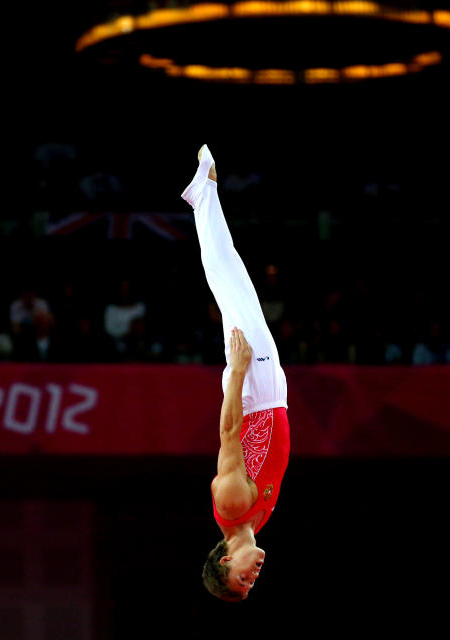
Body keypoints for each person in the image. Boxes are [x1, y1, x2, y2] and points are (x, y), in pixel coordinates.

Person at [182, 145, 291, 601]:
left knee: (228, 282)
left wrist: (240, 372)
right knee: (235, 283)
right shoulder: (255, 519)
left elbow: (229, 433)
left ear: (225, 559)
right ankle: (204, 194)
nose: (254, 576)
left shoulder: (232, 505)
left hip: (254, 391)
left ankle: (202, 194)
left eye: (242, 578)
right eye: (252, 585)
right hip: (265, 394)